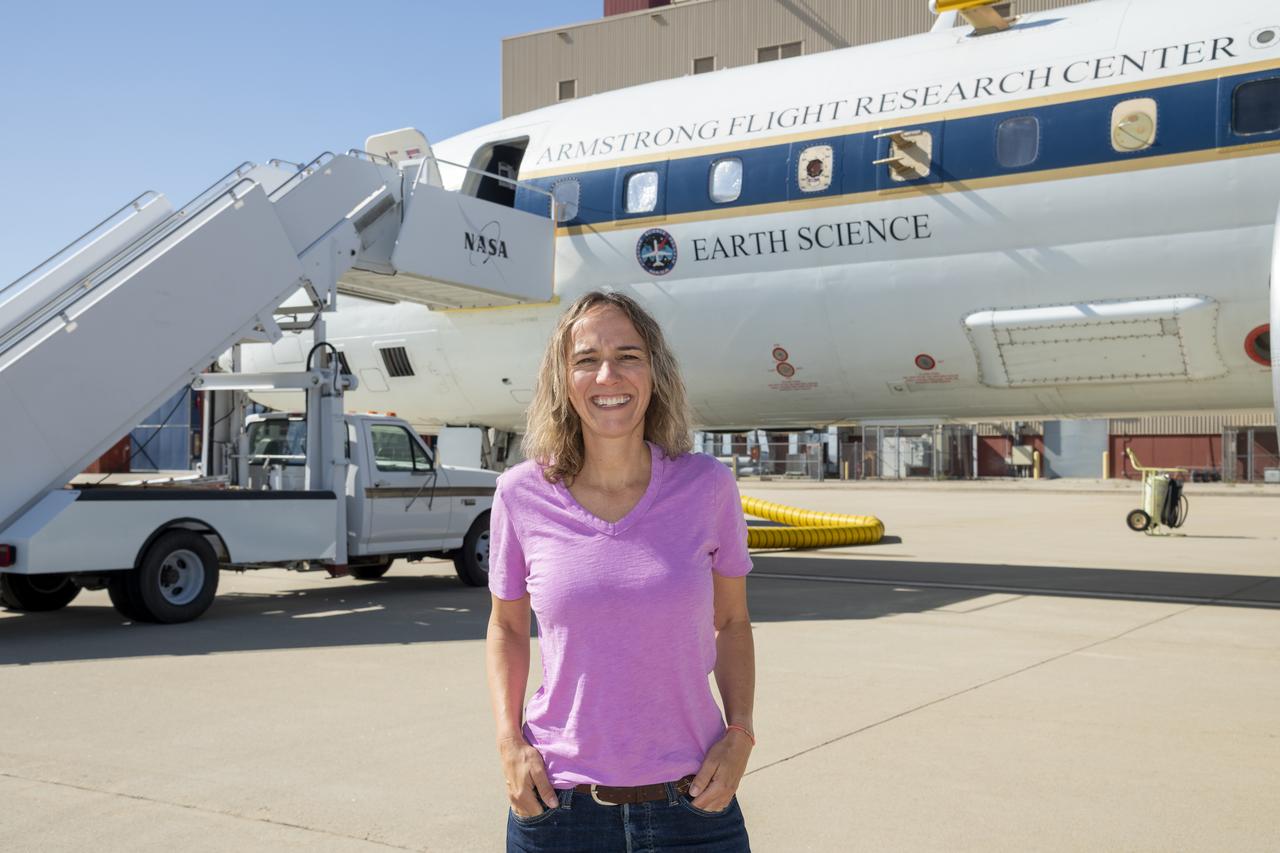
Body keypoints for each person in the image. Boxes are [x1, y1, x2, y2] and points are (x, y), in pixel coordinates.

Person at [485, 290, 756, 852]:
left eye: (628, 355)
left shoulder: (707, 487)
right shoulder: (520, 495)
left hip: (695, 803)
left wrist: (740, 733)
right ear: (563, 380)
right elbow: (507, 628)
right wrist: (509, 743)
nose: (608, 374)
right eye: (586, 359)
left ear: (655, 373)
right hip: (559, 808)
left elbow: (732, 623)